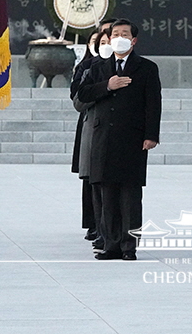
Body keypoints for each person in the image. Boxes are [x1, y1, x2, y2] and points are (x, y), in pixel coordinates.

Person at [78, 19, 161, 260]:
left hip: (133, 138)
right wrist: (108, 85)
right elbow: (82, 93)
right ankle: (111, 244)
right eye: (116, 34)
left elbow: (153, 103)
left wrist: (151, 135)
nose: (120, 38)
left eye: (125, 34)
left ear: (134, 40)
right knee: (107, 195)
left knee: (130, 196)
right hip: (103, 137)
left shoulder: (146, 68)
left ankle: (129, 246)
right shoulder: (98, 67)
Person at [71, 28, 104, 242]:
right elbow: (78, 97)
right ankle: (92, 223)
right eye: (97, 40)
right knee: (90, 177)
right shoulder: (86, 67)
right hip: (90, 123)